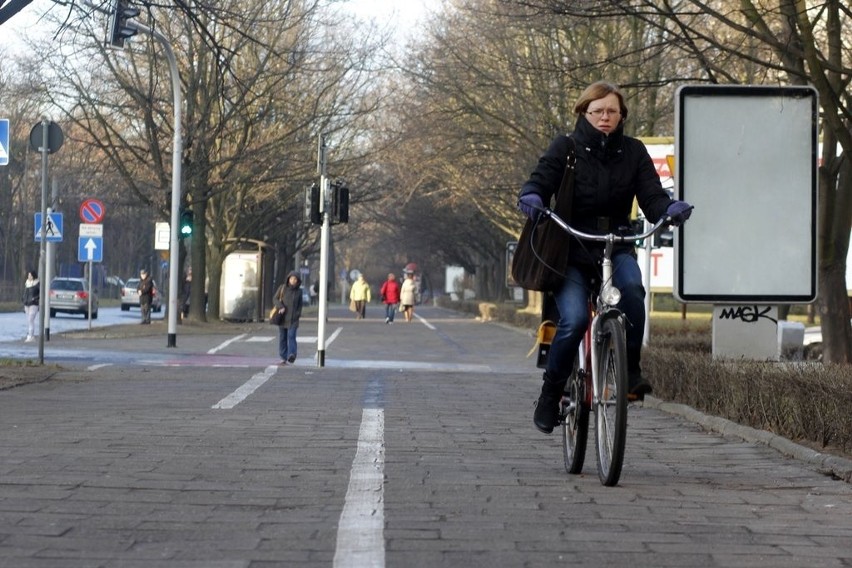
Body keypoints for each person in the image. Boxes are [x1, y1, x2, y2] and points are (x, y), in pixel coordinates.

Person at [517, 81, 692, 435]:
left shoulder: (633, 152)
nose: (605, 117)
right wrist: (532, 197)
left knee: (632, 292)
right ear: (585, 112)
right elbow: (539, 181)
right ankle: (551, 393)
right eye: (597, 111)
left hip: (616, 243)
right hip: (571, 247)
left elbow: (651, 196)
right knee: (575, 319)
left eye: (612, 111)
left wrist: (669, 209)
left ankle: (631, 372)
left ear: (622, 115)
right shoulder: (565, 148)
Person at [273, 271, 303, 365]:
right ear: (288, 279)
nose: (292, 281)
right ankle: (283, 356)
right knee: (283, 337)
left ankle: (292, 355)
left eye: (295, 279)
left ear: (297, 281)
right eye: (291, 279)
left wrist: (297, 314)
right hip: (282, 317)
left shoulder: (299, 291)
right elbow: (275, 299)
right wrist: (280, 306)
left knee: (291, 336)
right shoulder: (282, 288)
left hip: (293, 319)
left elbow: (300, 305)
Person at [22, 269, 39, 342]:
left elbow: (40, 294)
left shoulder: (37, 284)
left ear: (33, 276)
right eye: (28, 275)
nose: (29, 276)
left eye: (30, 275)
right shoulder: (27, 283)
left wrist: (34, 299)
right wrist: (23, 299)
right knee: (29, 320)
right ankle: (31, 335)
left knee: (31, 319)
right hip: (26, 303)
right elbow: (25, 293)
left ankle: (30, 335)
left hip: (33, 304)